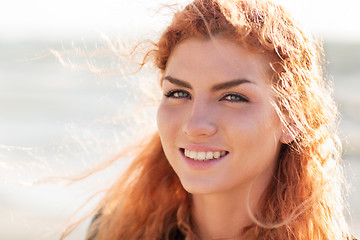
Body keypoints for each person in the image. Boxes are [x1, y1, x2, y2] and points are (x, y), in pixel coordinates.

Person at [63, 0, 354, 239]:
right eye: (178, 93)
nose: (194, 125)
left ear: (292, 119)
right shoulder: (113, 231)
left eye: (233, 97)